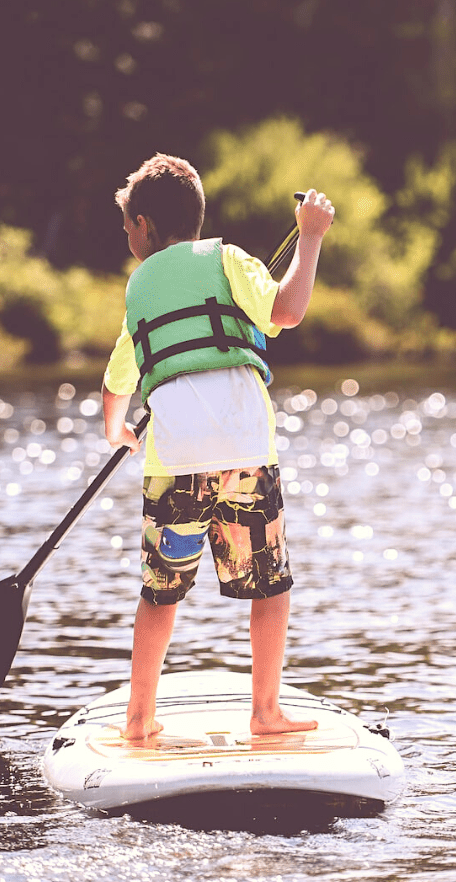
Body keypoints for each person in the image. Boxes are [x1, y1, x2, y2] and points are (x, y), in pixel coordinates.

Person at [101, 153, 334, 741]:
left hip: (174, 464)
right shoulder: (228, 260)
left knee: (160, 594)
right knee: (270, 585)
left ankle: (138, 720)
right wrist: (309, 240)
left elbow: (119, 379)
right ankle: (265, 713)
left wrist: (116, 430)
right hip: (245, 456)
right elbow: (288, 309)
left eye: (128, 223)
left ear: (146, 226)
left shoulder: (139, 288)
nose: (127, 234)